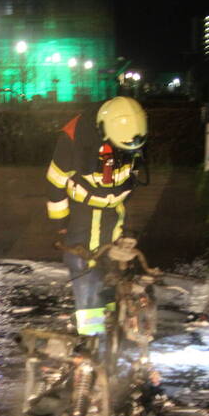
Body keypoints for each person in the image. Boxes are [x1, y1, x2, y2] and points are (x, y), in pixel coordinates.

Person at [45, 96, 148, 337]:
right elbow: (55, 182)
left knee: (112, 268)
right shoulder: (73, 139)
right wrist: (61, 223)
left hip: (114, 213)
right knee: (84, 268)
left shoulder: (130, 133)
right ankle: (91, 338)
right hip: (83, 214)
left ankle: (110, 327)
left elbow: (129, 177)